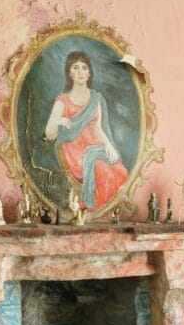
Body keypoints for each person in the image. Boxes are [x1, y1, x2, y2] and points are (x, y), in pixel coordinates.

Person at [44, 51, 127, 210]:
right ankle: (90, 209)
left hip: (94, 146)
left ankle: (102, 214)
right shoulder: (62, 101)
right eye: (75, 67)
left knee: (118, 169)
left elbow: (98, 128)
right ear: (69, 73)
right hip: (74, 152)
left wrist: (109, 145)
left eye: (84, 68)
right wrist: (58, 121)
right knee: (101, 168)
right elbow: (49, 134)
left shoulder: (96, 99)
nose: (80, 72)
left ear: (89, 73)